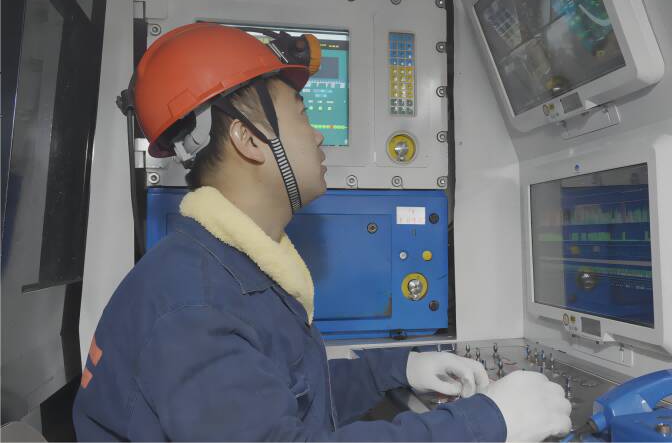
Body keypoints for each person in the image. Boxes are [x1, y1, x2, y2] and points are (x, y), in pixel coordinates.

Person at [72, 23, 572, 441]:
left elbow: (278, 395)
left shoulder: (221, 271)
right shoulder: (195, 309)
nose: (317, 135)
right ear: (249, 139)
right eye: (301, 114)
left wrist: (393, 370)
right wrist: (489, 422)